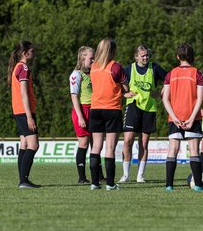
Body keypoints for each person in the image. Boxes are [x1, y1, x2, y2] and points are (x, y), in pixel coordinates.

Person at [118, 44, 167, 183]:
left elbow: (170, 79)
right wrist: (124, 93)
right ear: (136, 56)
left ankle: (140, 175)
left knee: (143, 144)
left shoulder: (154, 68)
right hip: (133, 107)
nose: (146, 57)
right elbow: (115, 83)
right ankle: (126, 175)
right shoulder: (128, 69)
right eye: (143, 55)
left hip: (149, 109)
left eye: (147, 55)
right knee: (127, 141)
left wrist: (160, 93)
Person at [88, 38, 131, 190]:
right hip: (112, 109)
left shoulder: (93, 66)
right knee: (110, 148)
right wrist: (126, 93)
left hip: (95, 109)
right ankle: (111, 184)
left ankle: (94, 183)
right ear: (112, 50)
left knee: (96, 147)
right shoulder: (116, 67)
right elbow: (126, 88)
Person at [162, 43, 203, 191]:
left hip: (176, 117)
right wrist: (193, 118)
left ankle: (169, 185)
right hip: (192, 117)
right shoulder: (197, 73)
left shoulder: (171, 74)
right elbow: (200, 98)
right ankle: (198, 185)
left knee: (172, 149)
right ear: (192, 57)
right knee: (194, 149)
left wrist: (173, 117)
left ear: (177, 57)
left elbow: (165, 99)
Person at [69, 46, 105, 184]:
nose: (93, 60)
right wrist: (80, 116)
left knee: (96, 144)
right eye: (91, 57)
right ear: (82, 57)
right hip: (82, 110)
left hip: (95, 109)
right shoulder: (76, 74)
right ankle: (82, 177)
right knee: (84, 143)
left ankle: (99, 176)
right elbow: (74, 97)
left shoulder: (93, 73)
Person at [7, 41, 41, 188]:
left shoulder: (17, 67)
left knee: (24, 144)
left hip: (18, 110)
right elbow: (24, 93)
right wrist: (29, 116)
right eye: (32, 50)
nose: (34, 52)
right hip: (24, 110)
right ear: (25, 52)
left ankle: (23, 179)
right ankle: (23, 180)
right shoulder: (24, 67)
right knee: (34, 145)